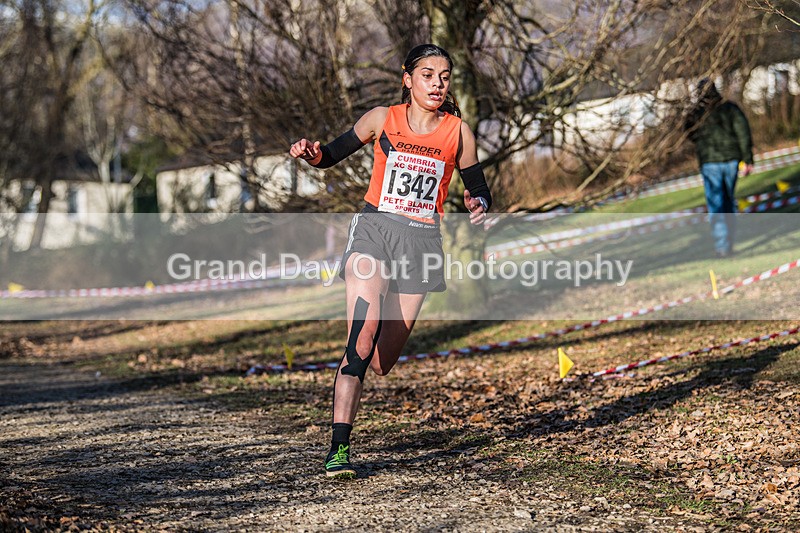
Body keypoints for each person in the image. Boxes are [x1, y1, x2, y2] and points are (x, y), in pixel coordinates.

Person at [289, 44, 492, 479]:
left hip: (421, 244)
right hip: (374, 232)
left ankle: (360, 373)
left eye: (444, 76)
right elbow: (330, 154)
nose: (437, 83)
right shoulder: (383, 119)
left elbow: (478, 186)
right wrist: (311, 153)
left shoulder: (459, 133)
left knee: (381, 362)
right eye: (427, 75)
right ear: (408, 79)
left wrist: (479, 202)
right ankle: (338, 449)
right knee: (360, 343)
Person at [685, 78, 754, 257]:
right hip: (731, 159)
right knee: (728, 201)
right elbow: (743, 132)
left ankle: (722, 246)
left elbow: (688, 133)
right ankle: (728, 242)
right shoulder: (729, 108)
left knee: (716, 204)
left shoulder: (696, 113)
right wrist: (747, 158)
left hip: (709, 162)